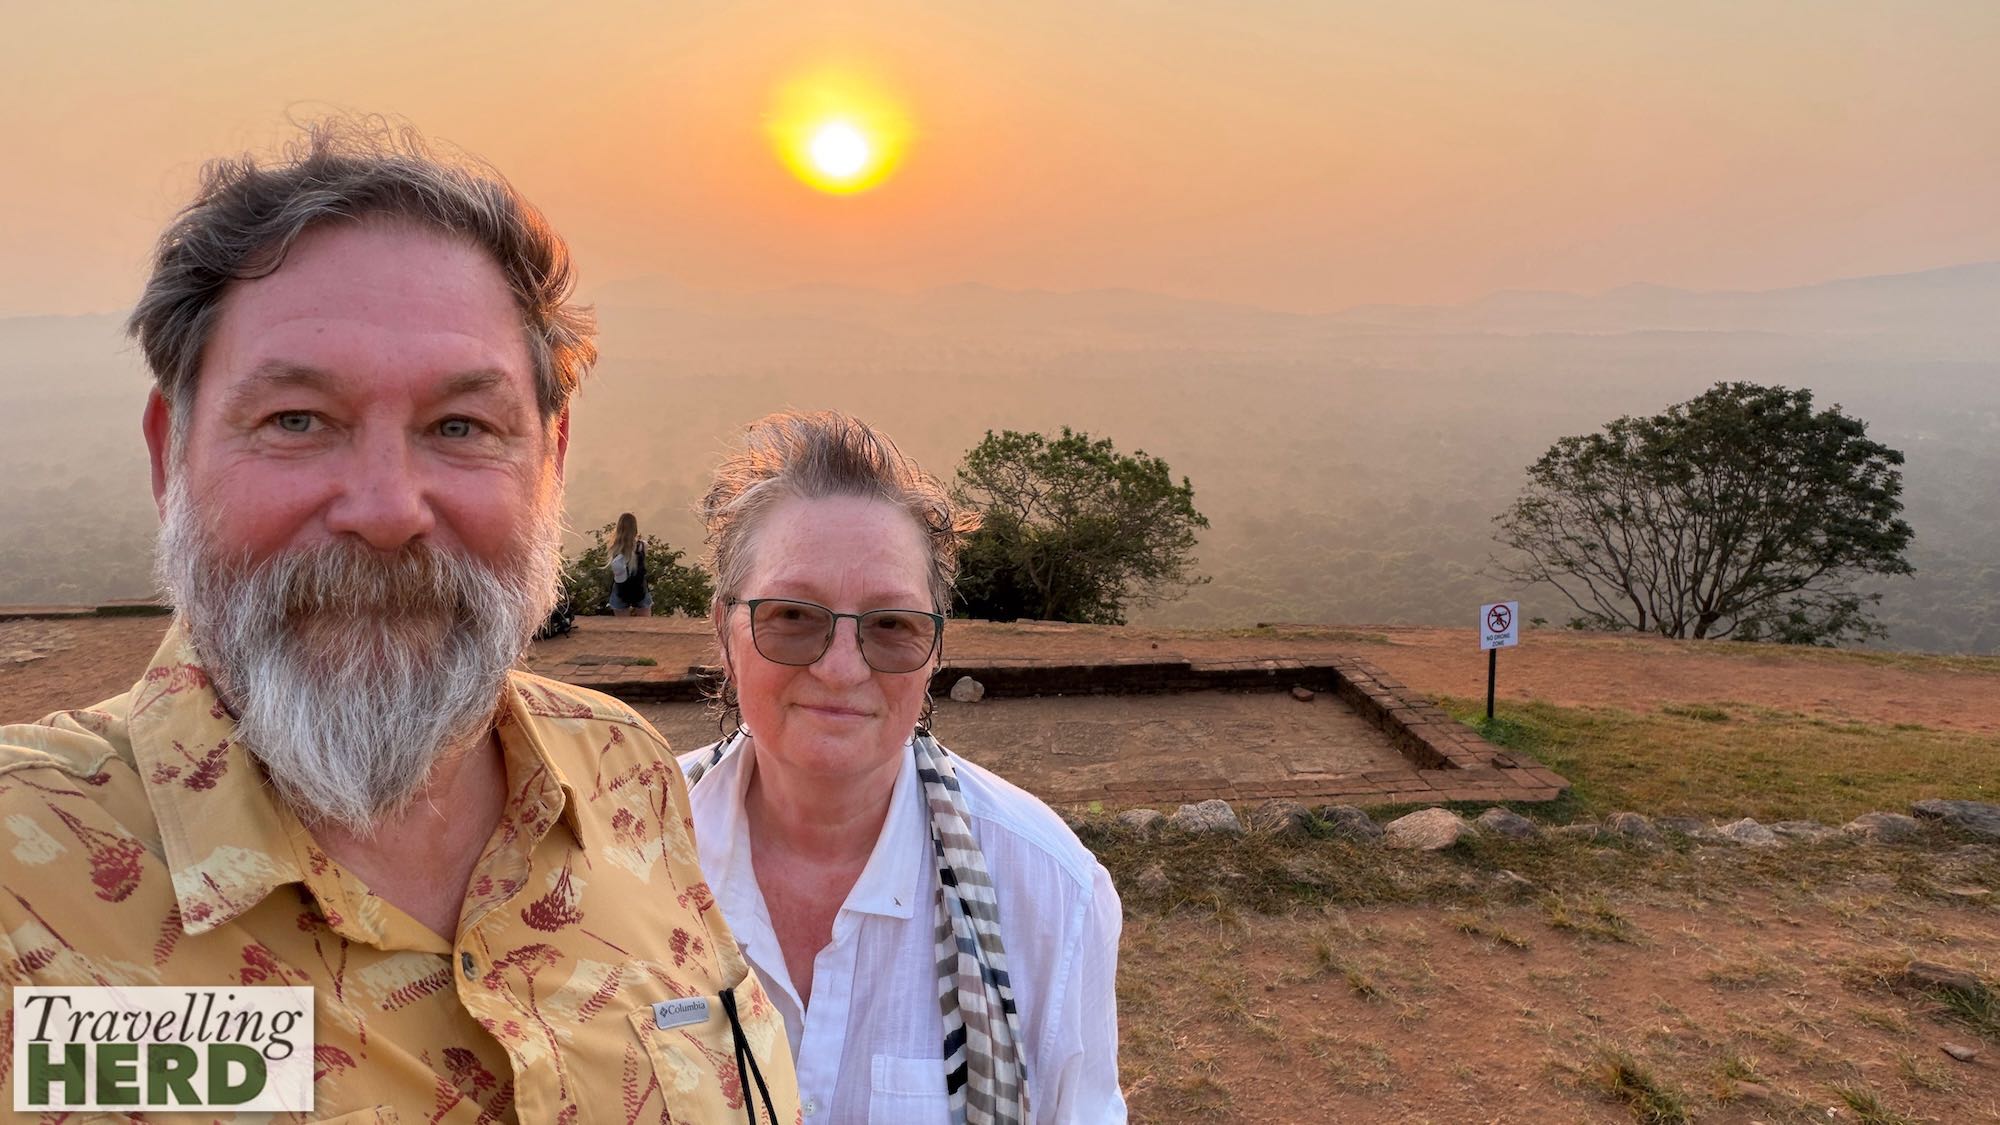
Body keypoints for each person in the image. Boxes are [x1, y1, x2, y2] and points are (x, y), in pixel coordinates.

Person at [0, 119, 799, 1122]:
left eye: (460, 426)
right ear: (172, 457)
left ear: (550, 462)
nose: (385, 510)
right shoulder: (26, 876)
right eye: (296, 420)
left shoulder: (622, 771)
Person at [680, 411, 1126, 1124]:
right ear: (725, 635)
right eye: (792, 616)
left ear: (935, 651)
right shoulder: (615, 848)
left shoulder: (1049, 893)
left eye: (891, 625)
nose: (840, 669)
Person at [609, 511, 654, 616]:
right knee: (645, 624)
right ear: (635, 529)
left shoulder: (614, 548)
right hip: (640, 589)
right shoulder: (642, 546)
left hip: (620, 590)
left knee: (622, 625)